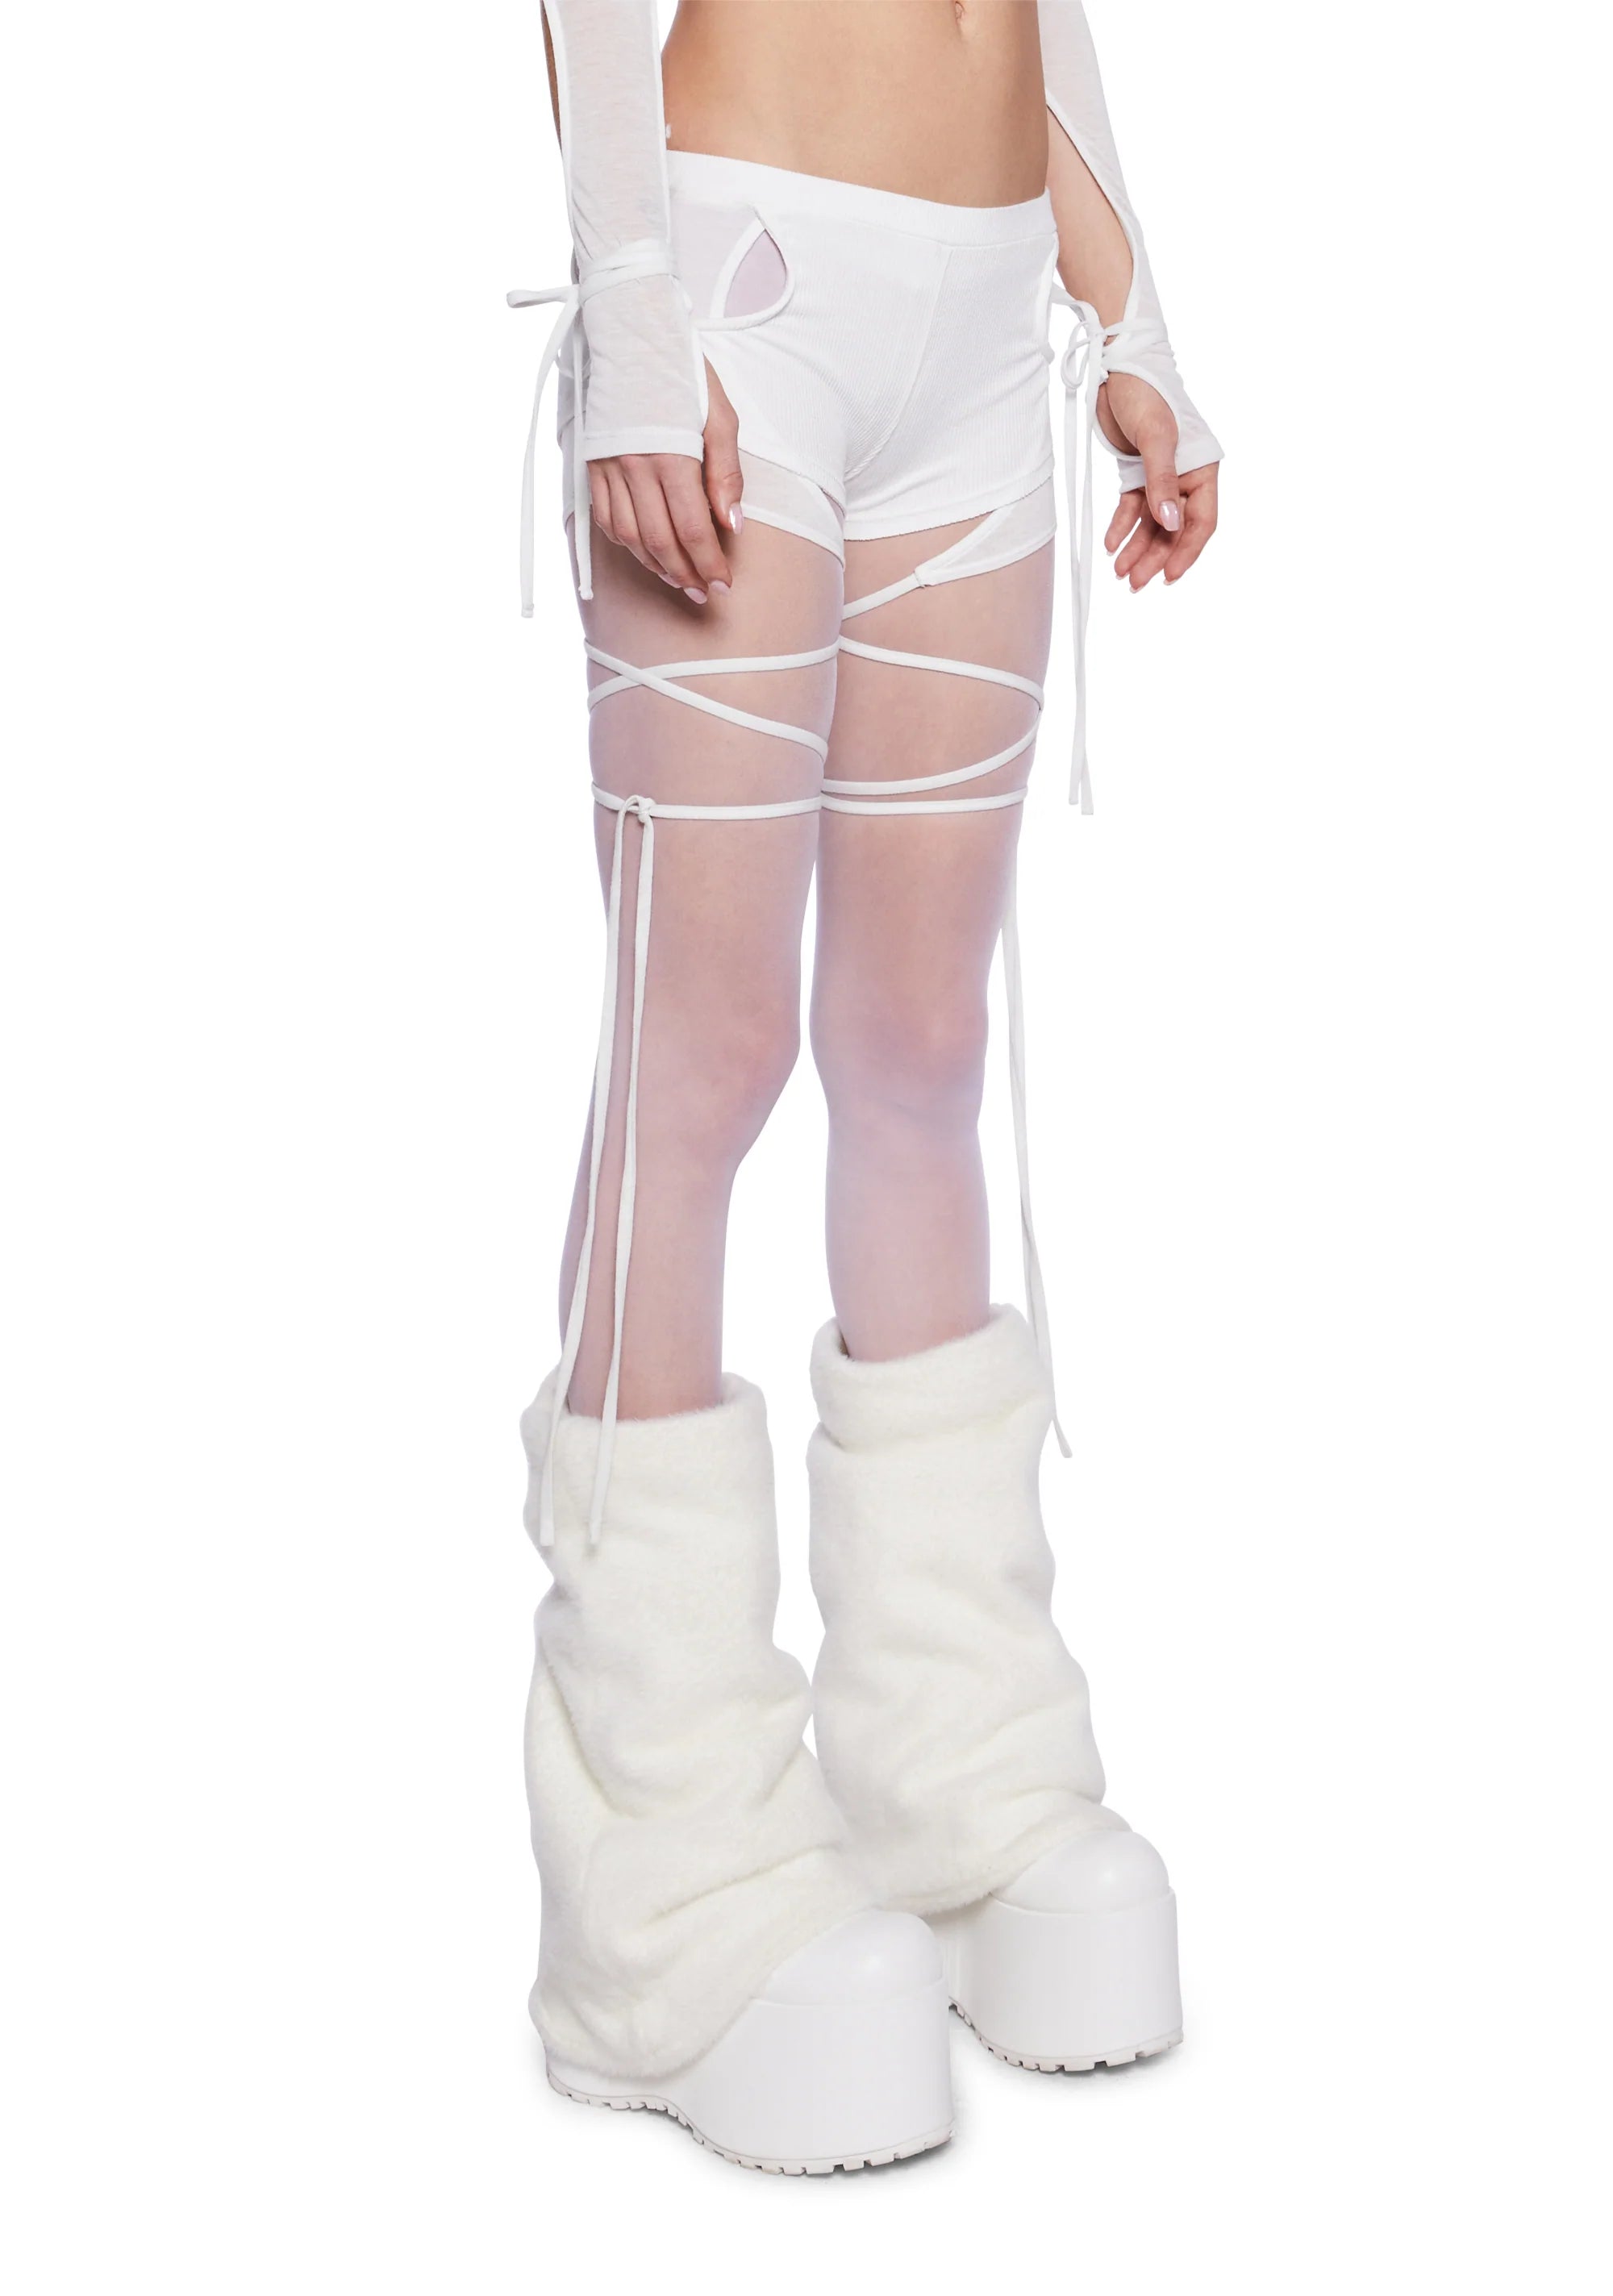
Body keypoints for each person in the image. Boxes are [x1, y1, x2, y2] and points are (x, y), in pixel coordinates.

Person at [511, 0, 1220, 2173]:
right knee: (702, 1042)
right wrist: (633, 307)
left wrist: (1131, 308)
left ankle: (955, 1775)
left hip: (985, 308)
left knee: (920, 1048)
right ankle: (666, 1885)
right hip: (748, 288)